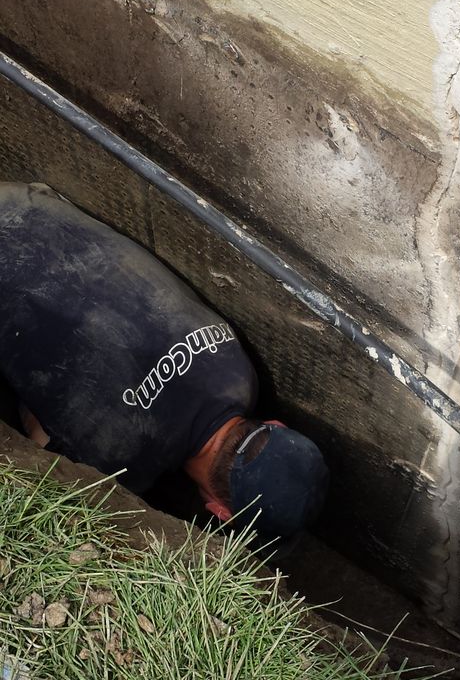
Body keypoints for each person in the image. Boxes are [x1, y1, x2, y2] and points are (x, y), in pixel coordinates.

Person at [0, 182, 328, 548]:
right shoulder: (121, 467)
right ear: (219, 511)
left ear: (275, 425)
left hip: (22, 203)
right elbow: (39, 450)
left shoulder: (238, 366)